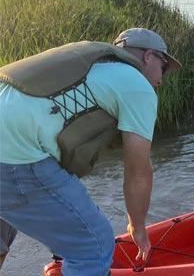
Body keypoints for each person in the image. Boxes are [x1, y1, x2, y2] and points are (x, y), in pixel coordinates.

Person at [0, 28, 181, 275]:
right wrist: (137, 226)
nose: (162, 79)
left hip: (10, 146)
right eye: (164, 67)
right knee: (93, 247)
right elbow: (138, 172)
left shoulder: (91, 64)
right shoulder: (137, 85)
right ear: (149, 56)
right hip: (14, 157)